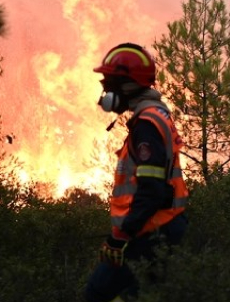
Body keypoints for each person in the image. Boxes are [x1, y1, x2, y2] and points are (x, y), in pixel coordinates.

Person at [84, 43, 189, 302]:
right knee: (136, 295)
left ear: (128, 85)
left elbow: (151, 190)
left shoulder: (146, 125)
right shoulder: (155, 115)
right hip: (162, 225)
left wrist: (119, 237)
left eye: (110, 83)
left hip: (150, 230)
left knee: (96, 294)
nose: (105, 91)